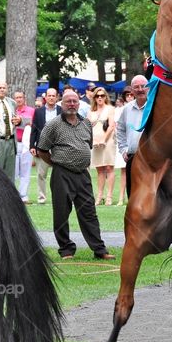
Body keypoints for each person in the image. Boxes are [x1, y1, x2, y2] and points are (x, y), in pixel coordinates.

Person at [36, 88, 114, 260]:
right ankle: (66, 250)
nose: (71, 104)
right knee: (61, 213)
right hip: (62, 174)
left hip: (83, 174)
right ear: (61, 104)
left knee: (89, 212)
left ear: (79, 104)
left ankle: (99, 250)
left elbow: (88, 146)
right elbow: (41, 149)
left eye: (74, 101)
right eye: (67, 101)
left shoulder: (86, 123)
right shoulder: (53, 125)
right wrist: (56, 163)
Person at [116, 75, 148, 198]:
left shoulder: (155, 106)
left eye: (143, 86)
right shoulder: (126, 109)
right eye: (136, 87)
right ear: (132, 91)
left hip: (152, 159)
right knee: (133, 194)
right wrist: (123, 150)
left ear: (148, 88)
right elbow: (120, 130)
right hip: (132, 158)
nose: (140, 89)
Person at [30, 88, 60, 204]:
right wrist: (32, 146)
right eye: (49, 95)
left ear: (57, 97)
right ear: (45, 97)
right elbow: (34, 129)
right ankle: (41, 198)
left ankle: (58, 197)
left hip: (58, 147)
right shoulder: (38, 111)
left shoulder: (62, 111)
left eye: (53, 95)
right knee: (41, 174)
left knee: (59, 175)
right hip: (42, 147)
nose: (51, 97)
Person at [88, 87, 116, 206]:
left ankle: (109, 196)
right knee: (99, 169)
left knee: (109, 167)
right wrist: (94, 140)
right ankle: (99, 196)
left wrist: (103, 139)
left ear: (105, 97)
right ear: (94, 98)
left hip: (108, 140)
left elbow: (111, 126)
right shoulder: (91, 112)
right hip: (95, 142)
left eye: (102, 95)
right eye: (97, 96)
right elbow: (88, 128)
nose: (100, 98)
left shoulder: (110, 109)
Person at [13, 90, 36, 204]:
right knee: (14, 170)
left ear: (24, 98)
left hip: (26, 144)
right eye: (16, 97)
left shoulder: (31, 111)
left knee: (25, 171)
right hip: (14, 143)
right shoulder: (12, 110)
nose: (18, 99)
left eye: (20, 97)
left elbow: (33, 124)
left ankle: (24, 195)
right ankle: (13, 194)